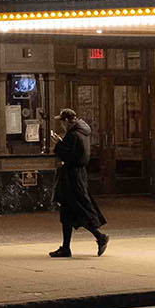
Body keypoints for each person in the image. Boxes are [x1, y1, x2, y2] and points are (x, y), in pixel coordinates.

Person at [50, 109, 108, 257]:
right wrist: (62, 143)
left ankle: (100, 236)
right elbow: (77, 153)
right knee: (68, 212)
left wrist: (58, 144)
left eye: (62, 122)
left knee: (78, 209)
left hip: (72, 177)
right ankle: (66, 247)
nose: (61, 125)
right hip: (77, 175)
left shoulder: (73, 135)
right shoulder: (81, 133)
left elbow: (69, 155)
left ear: (67, 121)